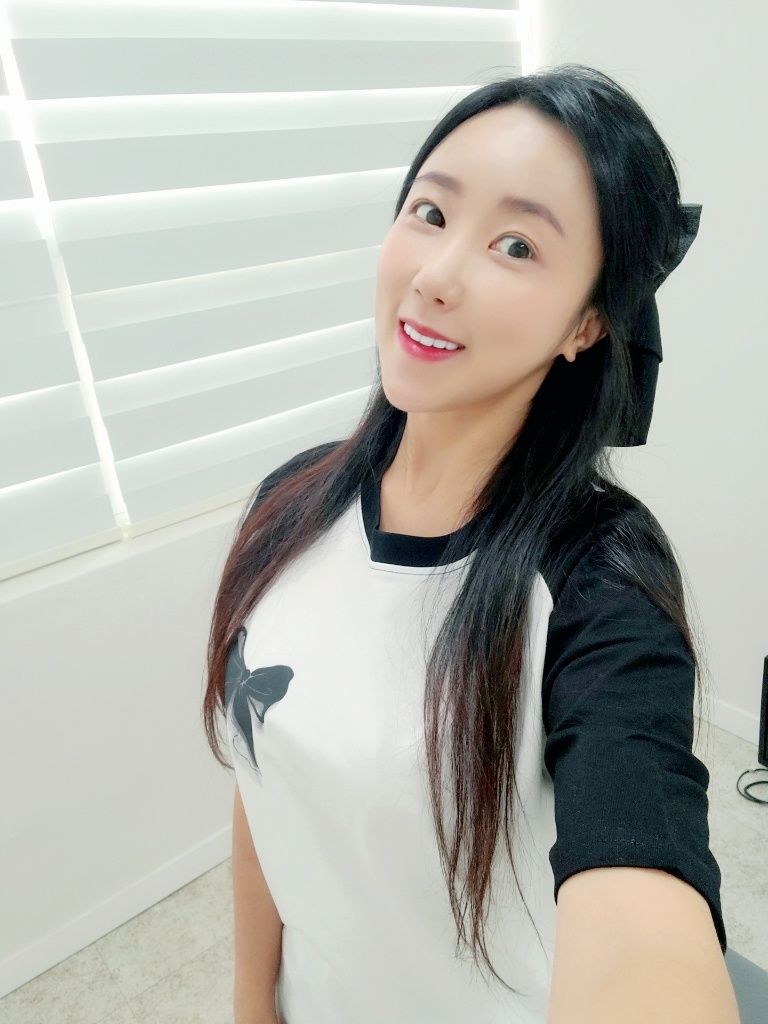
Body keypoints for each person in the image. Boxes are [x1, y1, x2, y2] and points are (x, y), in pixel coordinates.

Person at [204, 64, 729, 1024]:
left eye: (517, 245)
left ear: (587, 321)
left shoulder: (597, 578)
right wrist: (251, 999)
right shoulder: (290, 505)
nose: (436, 276)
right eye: (431, 212)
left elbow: (641, 900)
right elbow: (265, 772)